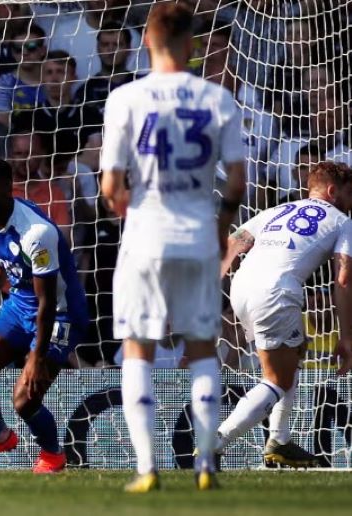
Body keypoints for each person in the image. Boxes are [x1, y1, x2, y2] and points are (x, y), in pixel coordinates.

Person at [100, 3, 247, 492]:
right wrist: (222, 228)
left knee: (138, 350)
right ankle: (206, 463)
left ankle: (147, 469)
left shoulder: (126, 98)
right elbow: (237, 183)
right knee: (203, 349)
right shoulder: (218, 99)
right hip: (199, 236)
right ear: (192, 43)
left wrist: (130, 210)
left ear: (146, 40)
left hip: (145, 235)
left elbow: (110, 186)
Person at [0, 158, 88, 474]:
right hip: (19, 303)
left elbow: (46, 304)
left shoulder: (36, 233)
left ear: (6, 189)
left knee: (24, 400)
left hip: (60, 314)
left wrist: (34, 358)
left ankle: (53, 455)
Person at [217, 161, 352, 467]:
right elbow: (343, 278)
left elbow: (230, 248)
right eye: (350, 193)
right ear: (332, 191)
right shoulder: (343, 221)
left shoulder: (278, 211)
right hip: (277, 291)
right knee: (277, 379)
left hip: (243, 288)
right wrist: (346, 336)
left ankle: (280, 440)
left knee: (295, 350)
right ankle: (215, 442)